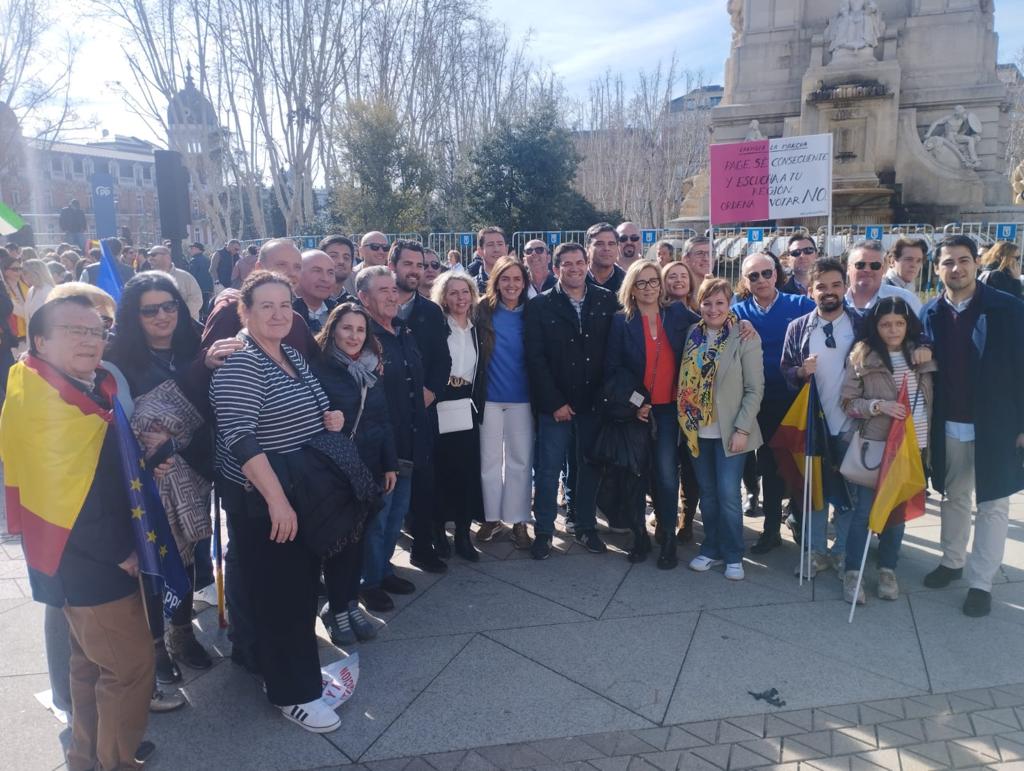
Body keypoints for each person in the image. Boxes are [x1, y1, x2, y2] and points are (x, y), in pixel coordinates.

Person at [1, 295, 156, 770]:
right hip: (91, 561)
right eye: (75, 330)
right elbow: (66, 497)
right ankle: (116, 762)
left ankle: (87, 756)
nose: (91, 339)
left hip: (75, 560)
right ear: (41, 340)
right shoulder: (48, 404)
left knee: (89, 668)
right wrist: (122, 551)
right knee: (128, 671)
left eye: (97, 330)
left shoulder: (67, 386)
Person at [210, 270, 343, 733]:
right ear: (243, 312)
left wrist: (329, 415)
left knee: (282, 588)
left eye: (285, 305)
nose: (278, 313)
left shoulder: (288, 351)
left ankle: (267, 663)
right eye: (265, 305)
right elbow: (241, 438)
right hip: (265, 499)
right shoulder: (242, 361)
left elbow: (313, 400)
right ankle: (294, 694)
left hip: (298, 488)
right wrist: (277, 502)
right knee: (286, 596)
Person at [105, 273, 216, 682]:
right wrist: (150, 445)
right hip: (147, 482)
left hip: (196, 470)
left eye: (169, 305)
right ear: (134, 315)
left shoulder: (196, 347)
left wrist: (178, 434)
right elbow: (114, 424)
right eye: (150, 309)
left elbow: (214, 407)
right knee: (155, 560)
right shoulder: (116, 359)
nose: (162, 316)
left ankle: (182, 634)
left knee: (189, 557)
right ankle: (154, 646)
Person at [919, 234, 1024, 617]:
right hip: (950, 422)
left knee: (994, 503)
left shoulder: (1007, 308)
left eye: (963, 260)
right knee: (953, 496)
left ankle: (981, 581)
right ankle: (951, 561)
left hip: (996, 423)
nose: (956, 268)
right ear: (937, 268)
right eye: (948, 262)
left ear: (977, 263)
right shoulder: (930, 313)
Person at [525, 241, 619, 559]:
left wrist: (604, 397)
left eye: (580, 263)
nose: (575, 268)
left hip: (594, 402)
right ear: (556, 269)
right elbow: (535, 359)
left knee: (588, 467)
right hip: (556, 406)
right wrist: (554, 402)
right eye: (568, 264)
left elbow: (613, 353)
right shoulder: (540, 306)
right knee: (549, 470)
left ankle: (585, 526)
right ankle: (544, 531)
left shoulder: (606, 300)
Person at [840, 297, 935, 604]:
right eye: (885, 324)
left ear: (908, 325)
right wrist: (877, 406)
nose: (892, 330)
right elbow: (848, 403)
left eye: (899, 323)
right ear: (875, 326)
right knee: (863, 513)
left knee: (896, 515)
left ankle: (887, 569)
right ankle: (853, 571)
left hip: (913, 447)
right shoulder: (862, 355)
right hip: (877, 446)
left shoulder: (920, 355)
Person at [606, 260, 698, 568]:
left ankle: (668, 538)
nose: (648, 288)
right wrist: (636, 403)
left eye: (653, 281)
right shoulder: (621, 321)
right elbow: (614, 370)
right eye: (641, 283)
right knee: (635, 475)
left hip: (669, 410)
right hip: (637, 411)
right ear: (631, 288)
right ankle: (639, 536)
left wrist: (742, 324)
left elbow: (712, 321)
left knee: (667, 475)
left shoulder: (677, 314)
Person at [312, 302, 394, 645]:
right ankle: (336, 607)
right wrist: (328, 421)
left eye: (360, 330)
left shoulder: (371, 368)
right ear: (333, 329)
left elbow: (383, 420)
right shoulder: (320, 369)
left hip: (368, 468)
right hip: (336, 471)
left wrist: (389, 462)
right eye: (347, 328)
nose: (354, 336)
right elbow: (305, 420)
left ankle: (348, 601)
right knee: (340, 543)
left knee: (358, 540)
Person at [781, 258, 862, 576]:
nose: (829, 292)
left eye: (835, 285)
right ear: (810, 290)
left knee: (848, 494)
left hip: (850, 425)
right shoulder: (798, 327)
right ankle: (815, 551)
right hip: (813, 423)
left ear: (845, 287)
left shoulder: (861, 325)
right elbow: (785, 369)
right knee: (813, 491)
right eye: (821, 287)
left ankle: (841, 551)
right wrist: (801, 370)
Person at [679, 278, 764, 581]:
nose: (713, 309)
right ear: (698, 304)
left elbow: (755, 389)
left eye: (720, 303)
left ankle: (733, 553)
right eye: (707, 302)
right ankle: (711, 548)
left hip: (731, 432)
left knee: (729, 494)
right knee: (709, 494)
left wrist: (742, 429)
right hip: (698, 430)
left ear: (729, 305)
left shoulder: (744, 335)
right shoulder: (692, 334)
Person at [731, 253, 815, 554]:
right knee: (768, 467)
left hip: (796, 400)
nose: (761, 280)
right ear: (744, 280)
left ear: (776, 274)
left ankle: (802, 524)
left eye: (766, 273)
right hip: (760, 403)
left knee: (798, 466)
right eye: (753, 276)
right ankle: (770, 530)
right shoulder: (736, 311)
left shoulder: (802, 305)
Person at [356, 266, 427, 611]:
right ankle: (367, 581)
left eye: (393, 289)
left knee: (397, 512)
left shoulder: (402, 331)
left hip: (409, 440)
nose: (391, 295)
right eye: (381, 290)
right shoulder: (361, 337)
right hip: (378, 445)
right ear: (363, 298)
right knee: (377, 517)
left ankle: (384, 570)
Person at [390, 239, 452, 570]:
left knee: (425, 479)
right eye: (408, 264)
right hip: (386, 414)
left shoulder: (430, 311)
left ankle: (424, 545)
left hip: (423, 411)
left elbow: (443, 360)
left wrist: (431, 392)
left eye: (421, 265)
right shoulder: (374, 306)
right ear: (393, 267)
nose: (416, 271)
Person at [475, 257, 534, 549]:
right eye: (505, 279)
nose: (511, 285)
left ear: (524, 283)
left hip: (523, 398)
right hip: (489, 398)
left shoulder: (533, 312)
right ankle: (491, 517)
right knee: (488, 462)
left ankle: (519, 519)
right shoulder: (482, 311)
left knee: (520, 462)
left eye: (517, 279)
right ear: (496, 280)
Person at [430, 272, 484, 561]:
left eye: (465, 292)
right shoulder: (439, 327)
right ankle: (439, 530)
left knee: (466, 472)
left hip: (466, 404)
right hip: (440, 401)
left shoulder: (477, 328)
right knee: (441, 471)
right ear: (444, 297)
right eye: (453, 293)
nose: (460, 298)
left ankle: (463, 533)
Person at [845, 240, 921, 316]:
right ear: (848, 268)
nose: (867, 270)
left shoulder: (907, 300)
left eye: (875, 265)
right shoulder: (837, 301)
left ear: (883, 269)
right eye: (860, 264)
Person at [145, 245, 204, 320]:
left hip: (183, 328)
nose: (150, 258)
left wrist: (178, 316)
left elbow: (197, 300)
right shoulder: (147, 281)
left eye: (153, 255)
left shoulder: (185, 277)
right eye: (148, 255)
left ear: (167, 257)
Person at [294, 249, 337, 333]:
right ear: (298, 274)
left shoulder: (339, 312)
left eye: (330, 272)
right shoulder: (285, 312)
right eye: (317, 271)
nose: (325, 279)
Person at [586, 222, 626, 294]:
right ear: (588, 248)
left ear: (618, 248)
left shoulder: (627, 282)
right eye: (600, 244)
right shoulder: (576, 279)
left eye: (611, 244)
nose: (606, 248)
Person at [466, 226, 507, 293]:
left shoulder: (519, 283)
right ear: (480, 251)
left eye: (500, 244)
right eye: (490, 245)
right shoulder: (471, 287)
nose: (496, 249)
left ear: (506, 249)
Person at [320, 235, 357, 303]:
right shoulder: (307, 302)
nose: (341, 261)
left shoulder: (355, 305)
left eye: (346, 257)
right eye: (333, 256)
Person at [1, 249, 28, 344]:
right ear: (5, 271)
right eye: (15, 269)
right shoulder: (3, 290)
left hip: (29, 333)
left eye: (20, 269)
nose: (19, 272)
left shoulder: (26, 285)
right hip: (13, 337)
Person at [187, 242, 214, 317]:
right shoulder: (207, 259)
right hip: (207, 288)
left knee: (197, 309)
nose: (190, 250)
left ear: (197, 249)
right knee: (205, 309)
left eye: (192, 248)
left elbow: (191, 275)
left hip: (197, 288)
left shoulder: (194, 260)